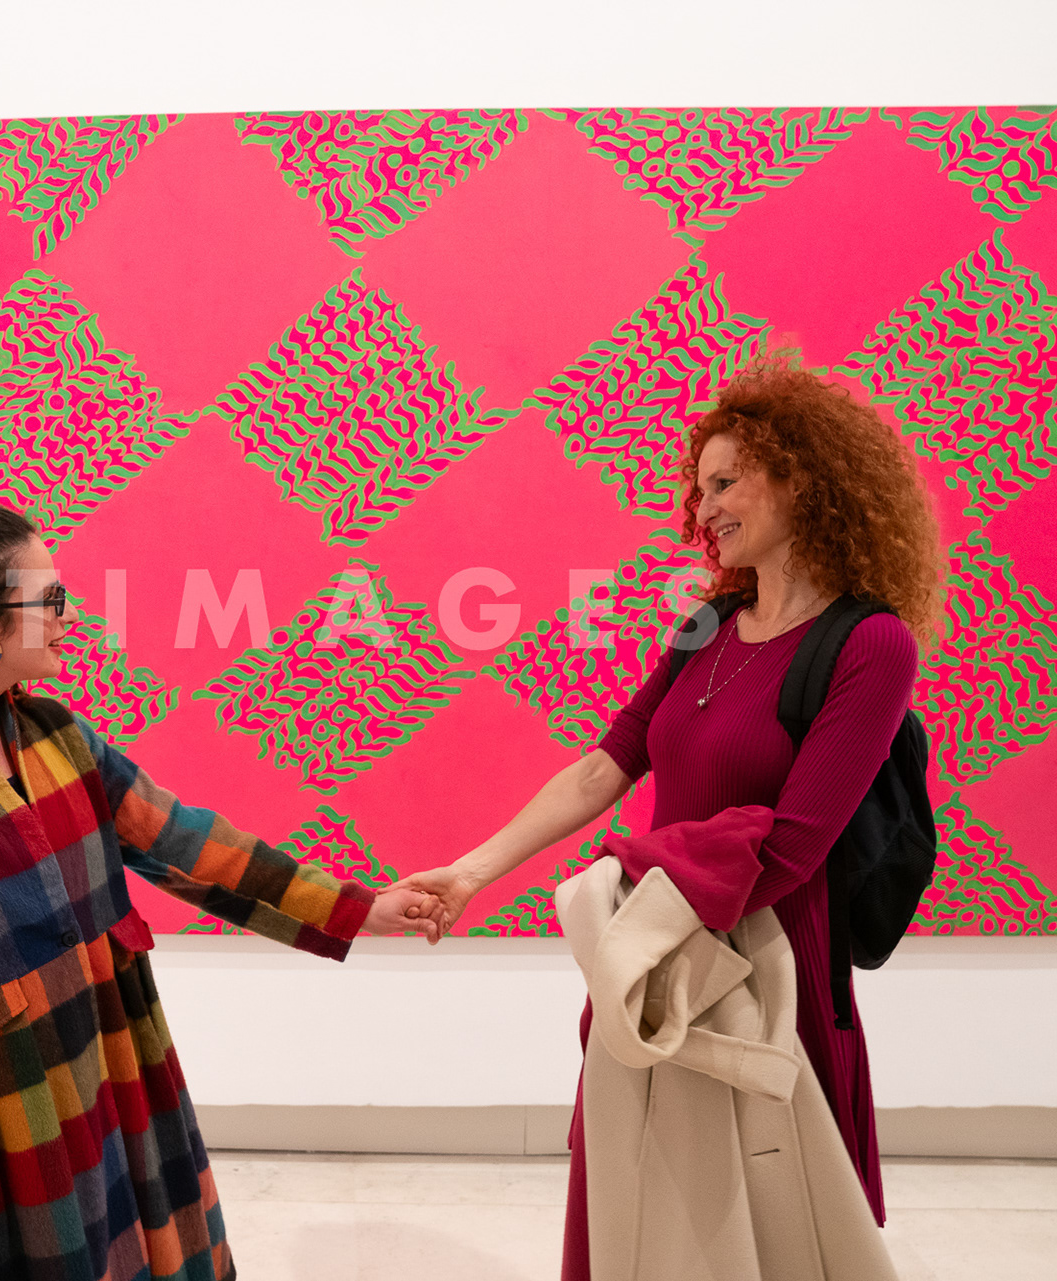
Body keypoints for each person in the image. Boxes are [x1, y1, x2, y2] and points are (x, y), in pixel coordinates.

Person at [0, 486, 440, 1281]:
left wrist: (358, 909)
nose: (68, 617)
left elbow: (189, 845)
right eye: (50, 600)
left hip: (114, 1088)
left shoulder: (56, 735)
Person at [394, 361, 941, 1279]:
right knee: (638, 1208)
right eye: (700, 489)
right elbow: (602, 766)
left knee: (768, 1232)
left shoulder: (870, 643)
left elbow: (795, 844)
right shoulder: (709, 625)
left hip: (763, 972)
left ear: (800, 478)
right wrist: (471, 872)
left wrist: (636, 896)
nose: (705, 508)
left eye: (726, 482)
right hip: (657, 956)